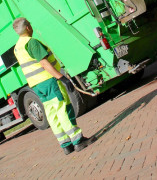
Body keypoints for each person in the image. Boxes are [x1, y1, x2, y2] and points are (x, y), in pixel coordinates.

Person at [12, 17, 97, 155]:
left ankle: (65, 144)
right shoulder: (31, 42)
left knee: (52, 113)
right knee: (62, 108)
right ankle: (78, 141)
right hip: (49, 81)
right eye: (30, 24)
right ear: (28, 27)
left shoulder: (17, 47)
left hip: (36, 85)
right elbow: (44, 64)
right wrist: (61, 77)